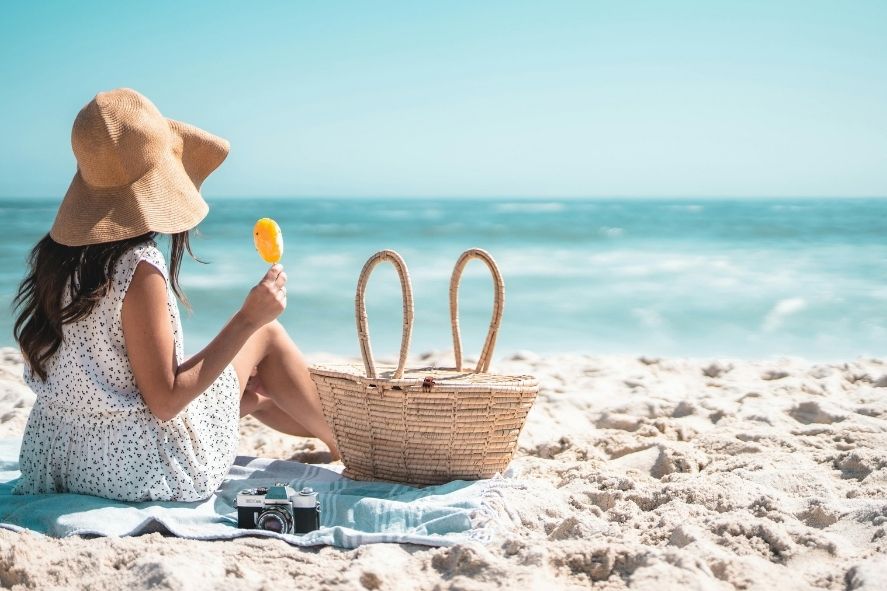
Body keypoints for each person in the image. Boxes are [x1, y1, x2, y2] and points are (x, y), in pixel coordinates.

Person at [11, 88, 339, 502]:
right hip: (133, 469)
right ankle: (345, 444)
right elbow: (164, 403)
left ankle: (258, 407)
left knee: (253, 392)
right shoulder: (137, 266)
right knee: (265, 336)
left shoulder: (55, 256)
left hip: (56, 460)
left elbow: (115, 379)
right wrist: (248, 318)